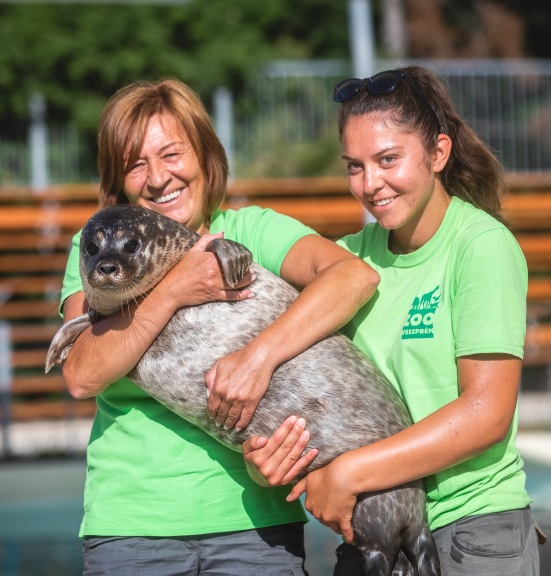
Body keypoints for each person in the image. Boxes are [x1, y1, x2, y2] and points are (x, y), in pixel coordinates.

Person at [58, 78, 379, 575]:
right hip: (133, 529)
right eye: (135, 164)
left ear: (206, 157)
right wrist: (176, 288)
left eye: (171, 154)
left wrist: (259, 356)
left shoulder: (252, 231)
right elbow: (82, 374)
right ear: (118, 180)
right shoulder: (101, 246)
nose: (158, 178)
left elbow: (352, 277)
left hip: (255, 528)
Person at [242, 65, 544, 575]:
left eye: (387, 160)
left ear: (438, 154)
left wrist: (349, 473)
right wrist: (263, 461)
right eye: (354, 166)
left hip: (473, 529)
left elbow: (487, 415)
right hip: (374, 530)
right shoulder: (348, 262)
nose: (371, 184)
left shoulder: (481, 246)